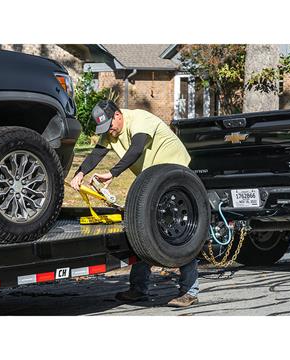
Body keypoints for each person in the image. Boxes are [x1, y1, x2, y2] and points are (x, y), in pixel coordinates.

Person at [70, 100, 199, 307]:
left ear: (118, 115)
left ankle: (189, 291)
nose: (108, 131)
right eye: (104, 129)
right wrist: (80, 173)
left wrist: (112, 173)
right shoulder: (111, 132)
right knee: (141, 232)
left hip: (176, 175)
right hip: (152, 180)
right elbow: (96, 154)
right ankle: (139, 289)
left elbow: (136, 148)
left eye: (109, 125)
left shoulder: (140, 119)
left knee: (178, 234)